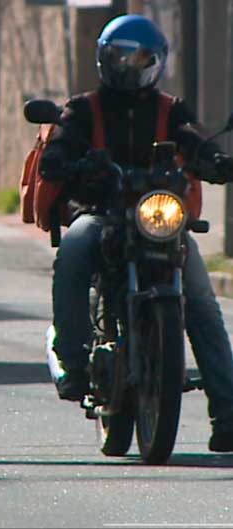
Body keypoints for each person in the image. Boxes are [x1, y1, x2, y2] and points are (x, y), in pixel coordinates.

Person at [39, 14, 233, 453]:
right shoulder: (83, 108)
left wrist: (215, 159)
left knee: (201, 300)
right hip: (103, 212)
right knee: (73, 246)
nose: (128, 67)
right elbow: (62, 143)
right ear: (104, 58)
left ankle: (228, 412)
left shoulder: (169, 108)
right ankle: (72, 359)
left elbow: (193, 138)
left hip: (157, 216)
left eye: (138, 59)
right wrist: (63, 159)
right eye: (120, 57)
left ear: (155, 62)